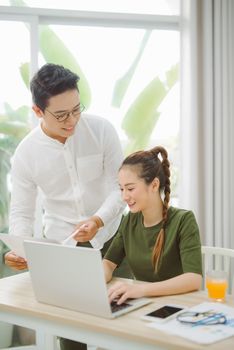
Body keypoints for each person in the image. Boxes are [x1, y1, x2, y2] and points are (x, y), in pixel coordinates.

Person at [4, 63, 127, 350]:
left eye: (76, 109)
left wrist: (97, 220)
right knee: (72, 335)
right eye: (61, 114)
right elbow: (22, 211)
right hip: (63, 248)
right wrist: (21, 248)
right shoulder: (26, 153)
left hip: (114, 240)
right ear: (37, 111)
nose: (72, 120)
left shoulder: (101, 130)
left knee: (122, 324)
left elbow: (118, 188)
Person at [103, 146, 202, 304]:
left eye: (130, 188)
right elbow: (108, 263)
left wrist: (141, 290)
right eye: (121, 189)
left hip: (178, 305)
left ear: (154, 185)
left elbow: (193, 279)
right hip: (144, 304)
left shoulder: (183, 220)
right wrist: (95, 282)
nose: (124, 196)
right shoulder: (129, 220)